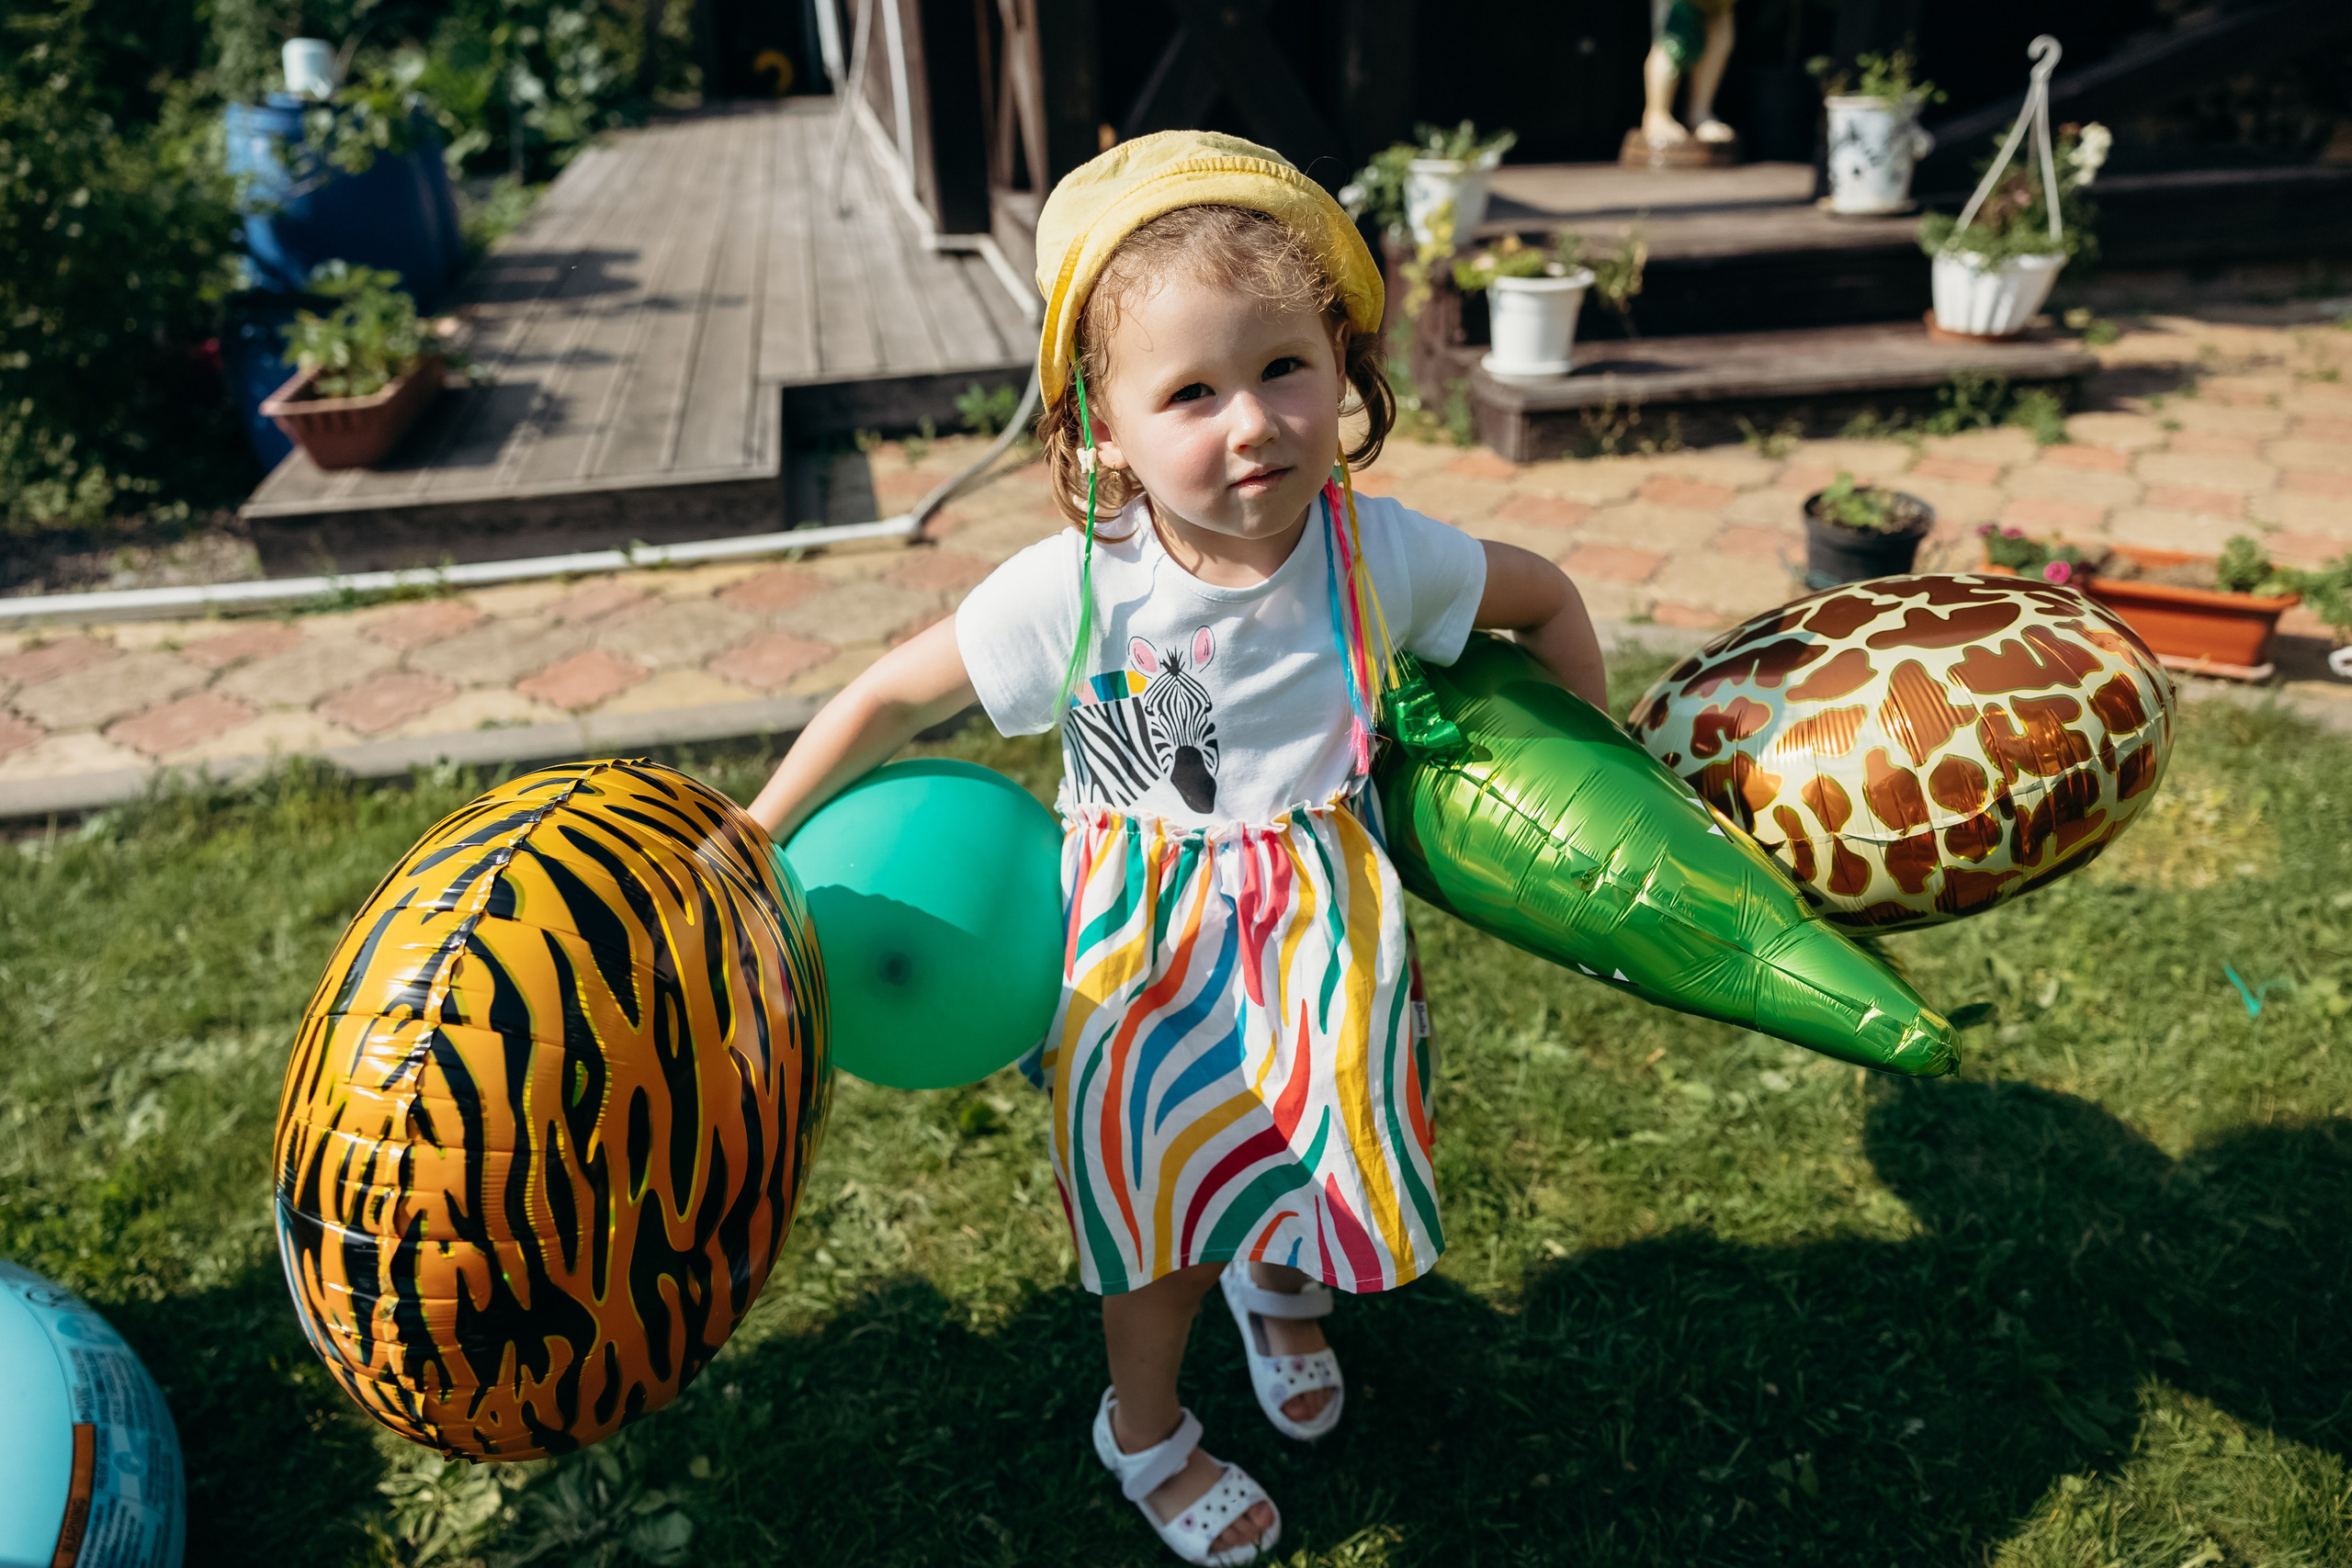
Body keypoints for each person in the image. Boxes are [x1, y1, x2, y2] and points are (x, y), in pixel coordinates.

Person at [746, 130, 1605, 1565]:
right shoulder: (1076, 592)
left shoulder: (1378, 555)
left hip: (1320, 943)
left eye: (1282, 367)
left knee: (1307, 1146)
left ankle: (1284, 1288)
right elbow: (895, 690)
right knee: (1162, 1222)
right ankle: (1143, 1426)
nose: (1251, 421)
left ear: (1344, 373)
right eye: (1190, 393)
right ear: (1101, 431)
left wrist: (1600, 776)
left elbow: (1547, 596)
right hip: (1145, 966)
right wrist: (762, 825)